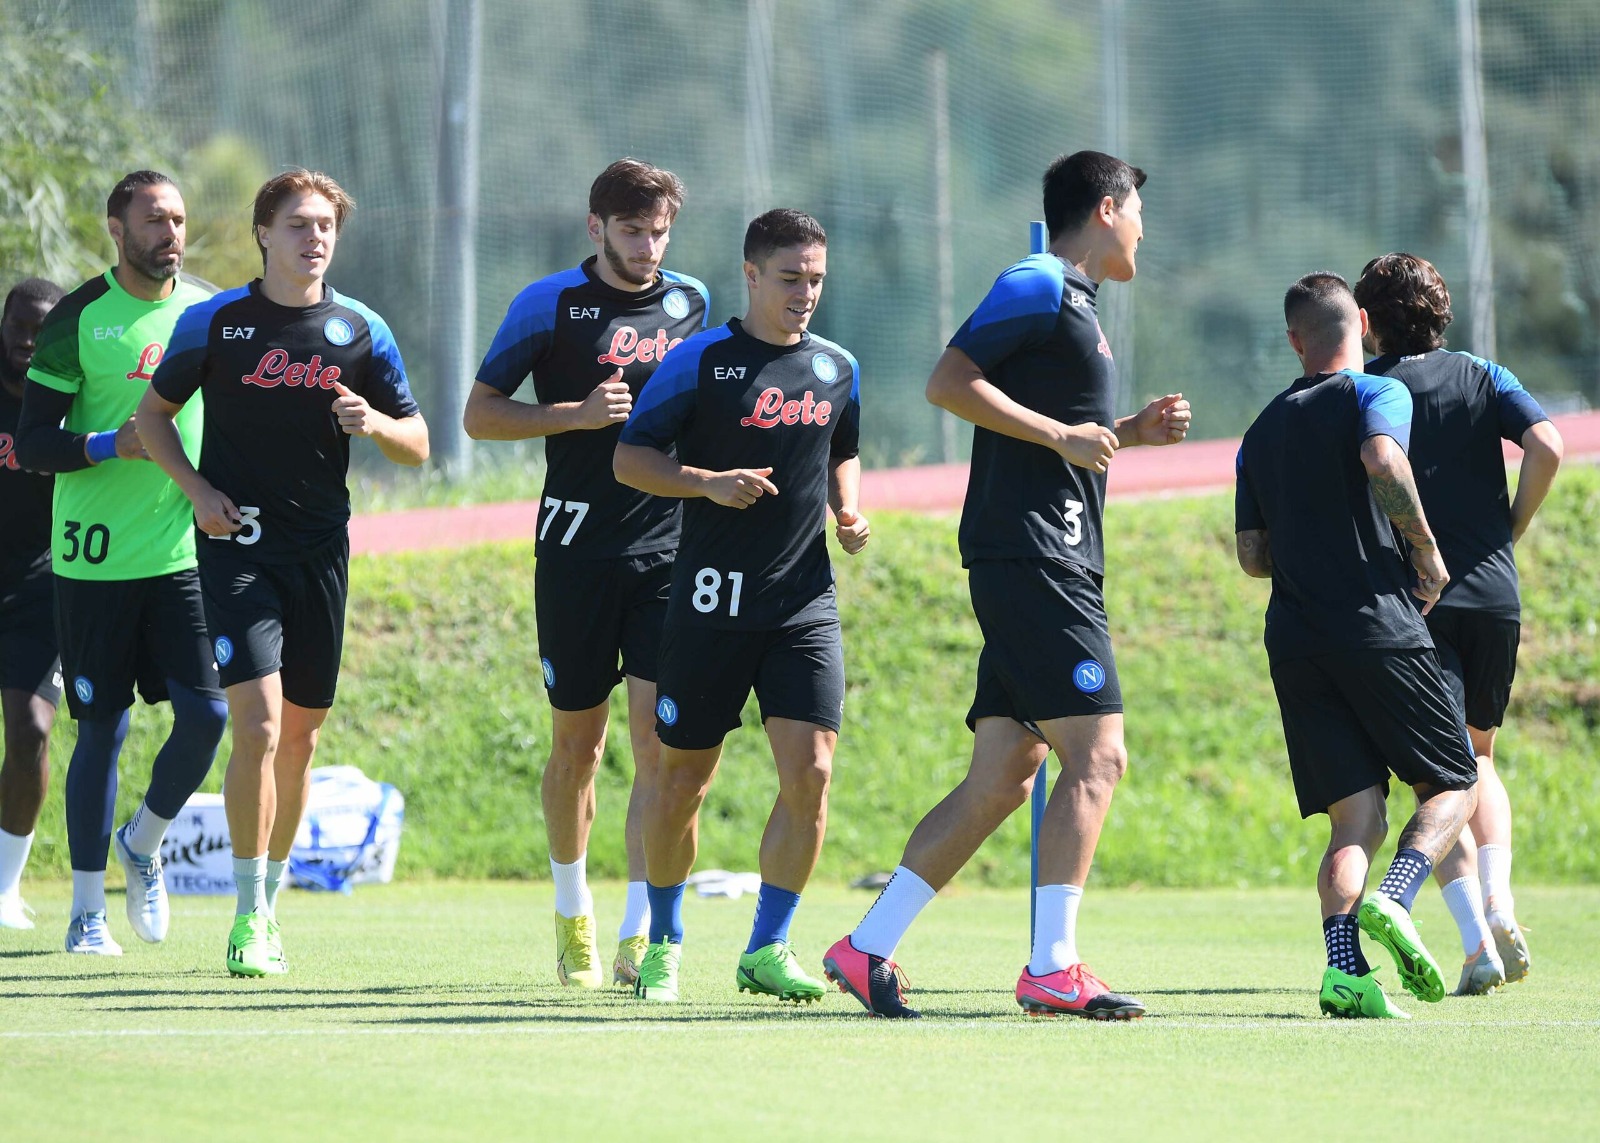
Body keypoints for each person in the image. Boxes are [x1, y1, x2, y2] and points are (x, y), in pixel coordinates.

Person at [824, 151, 1188, 1020]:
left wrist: (1121, 433)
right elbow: (949, 382)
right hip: (1036, 559)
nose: (1143, 228)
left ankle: (865, 947)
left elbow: (1057, 441)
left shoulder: (1080, 309)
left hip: (1038, 554)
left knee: (1004, 774)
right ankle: (1053, 967)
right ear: (1106, 209)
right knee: (1097, 755)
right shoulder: (1036, 281)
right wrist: (1066, 433)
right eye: (1137, 210)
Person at [137, 168, 429, 977]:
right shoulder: (215, 323)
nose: (315, 238)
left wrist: (372, 422)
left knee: (299, 738)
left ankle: (269, 898)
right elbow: (151, 417)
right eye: (299, 224)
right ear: (265, 233)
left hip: (321, 554)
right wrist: (196, 491)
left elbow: (421, 440)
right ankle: (245, 914)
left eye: (327, 225)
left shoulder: (362, 327)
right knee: (259, 726)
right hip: (236, 547)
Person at [614, 208, 868, 1004]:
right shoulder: (700, 362)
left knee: (813, 772)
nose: (806, 294)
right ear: (752, 275)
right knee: (683, 778)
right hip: (707, 604)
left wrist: (848, 509)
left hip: (802, 604)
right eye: (790, 279)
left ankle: (767, 946)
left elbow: (842, 448)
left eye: (817, 280)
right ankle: (663, 941)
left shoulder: (836, 368)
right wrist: (705, 485)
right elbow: (630, 459)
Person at [465, 159, 708, 987]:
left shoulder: (691, 304)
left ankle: (641, 935)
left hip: (669, 551)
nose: (648, 246)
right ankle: (573, 913)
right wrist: (571, 415)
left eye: (660, 230)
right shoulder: (548, 304)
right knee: (580, 745)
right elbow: (479, 414)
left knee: (657, 745)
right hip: (573, 548)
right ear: (596, 227)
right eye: (632, 230)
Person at [1234, 271, 1480, 1019]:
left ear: (1292, 340)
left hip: (1294, 638)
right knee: (1454, 782)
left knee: (1356, 819)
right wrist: (1428, 551)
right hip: (1376, 622)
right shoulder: (1378, 392)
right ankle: (1399, 898)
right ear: (1362, 324)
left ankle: (1345, 968)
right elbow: (1382, 459)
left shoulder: (1261, 427)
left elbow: (1251, 553)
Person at [16, 171, 229, 956]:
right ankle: (84, 912)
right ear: (116, 227)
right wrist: (110, 443)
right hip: (93, 561)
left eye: (178, 217)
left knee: (208, 715)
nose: (170, 232)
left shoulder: (207, 311)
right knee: (101, 729)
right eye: (153, 219)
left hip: (183, 555)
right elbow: (33, 442)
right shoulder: (77, 319)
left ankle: (142, 843)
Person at [1355, 253, 1562, 994]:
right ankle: (1503, 902)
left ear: (1367, 321)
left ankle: (1476, 941)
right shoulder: (1483, 373)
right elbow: (1548, 443)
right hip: (1494, 593)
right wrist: (1513, 523)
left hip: (1421, 599)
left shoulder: (1372, 388)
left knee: (1435, 779)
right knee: (1481, 758)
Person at [0, 277, 66, 929]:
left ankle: (4, 887)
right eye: (17, 324)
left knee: (32, 731)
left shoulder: (78, 396)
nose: (26, 338)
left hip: (41, 590)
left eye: (40, 327)